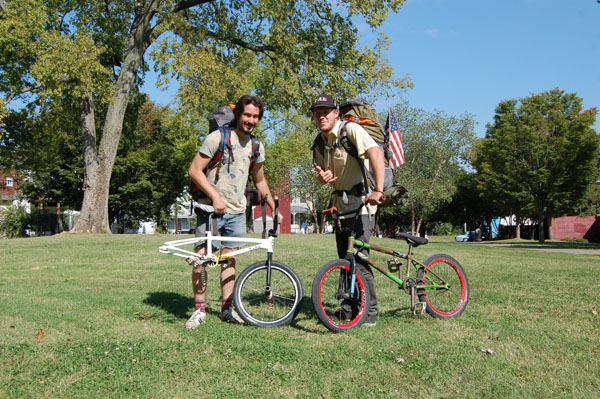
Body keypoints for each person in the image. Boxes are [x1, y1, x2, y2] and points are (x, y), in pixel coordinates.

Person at [186, 94, 279, 328]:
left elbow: (259, 180)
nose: (251, 120)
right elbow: (195, 170)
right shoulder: (217, 138)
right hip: (210, 211)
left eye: (256, 116)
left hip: (238, 212)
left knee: (230, 260)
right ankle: (199, 311)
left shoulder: (256, 146)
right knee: (201, 259)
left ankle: (227, 309)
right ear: (238, 114)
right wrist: (215, 196)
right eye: (247, 115)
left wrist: (274, 207)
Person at [310, 93, 385, 327]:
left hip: (363, 204)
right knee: (345, 260)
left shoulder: (350, 130)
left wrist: (379, 190)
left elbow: (375, 153)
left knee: (360, 260)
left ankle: (369, 312)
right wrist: (323, 178)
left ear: (336, 113)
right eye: (317, 113)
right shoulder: (320, 142)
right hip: (341, 207)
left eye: (326, 112)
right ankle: (347, 308)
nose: (321, 116)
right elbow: (322, 173)